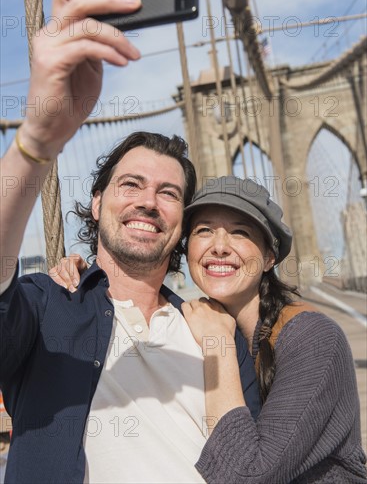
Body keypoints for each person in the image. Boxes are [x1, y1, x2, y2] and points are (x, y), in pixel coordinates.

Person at [0, 0, 260, 484]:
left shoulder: (215, 331)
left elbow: (254, 463)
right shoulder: (45, 307)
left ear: (183, 221)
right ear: (96, 204)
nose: (148, 201)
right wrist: (37, 139)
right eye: (131, 184)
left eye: (168, 193)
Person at [54, 175, 367, 482]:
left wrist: (219, 343)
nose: (219, 247)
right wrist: (88, 279)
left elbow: (246, 475)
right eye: (204, 231)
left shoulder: (312, 339)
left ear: (270, 257)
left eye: (240, 233)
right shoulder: (195, 324)